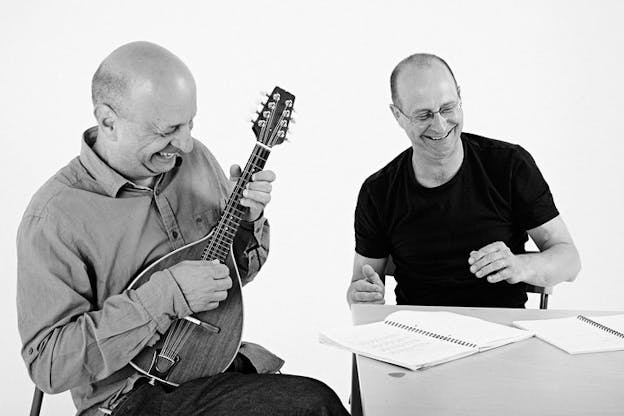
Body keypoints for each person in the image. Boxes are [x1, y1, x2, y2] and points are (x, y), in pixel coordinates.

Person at [17, 41, 348, 416]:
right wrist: (165, 294)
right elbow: (48, 365)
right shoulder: (56, 217)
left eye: (190, 123)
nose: (186, 142)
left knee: (319, 399)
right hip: (126, 397)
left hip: (211, 367)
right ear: (108, 121)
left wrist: (248, 222)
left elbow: (231, 279)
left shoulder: (194, 159)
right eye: (168, 129)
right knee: (310, 406)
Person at [347, 53, 581, 308]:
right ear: (398, 116)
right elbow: (361, 289)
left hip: (505, 334)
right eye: (423, 115)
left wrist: (520, 266)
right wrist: (359, 296)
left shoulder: (509, 165)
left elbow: (570, 261)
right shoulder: (378, 192)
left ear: (460, 97)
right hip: (419, 338)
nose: (440, 125)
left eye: (447, 108)